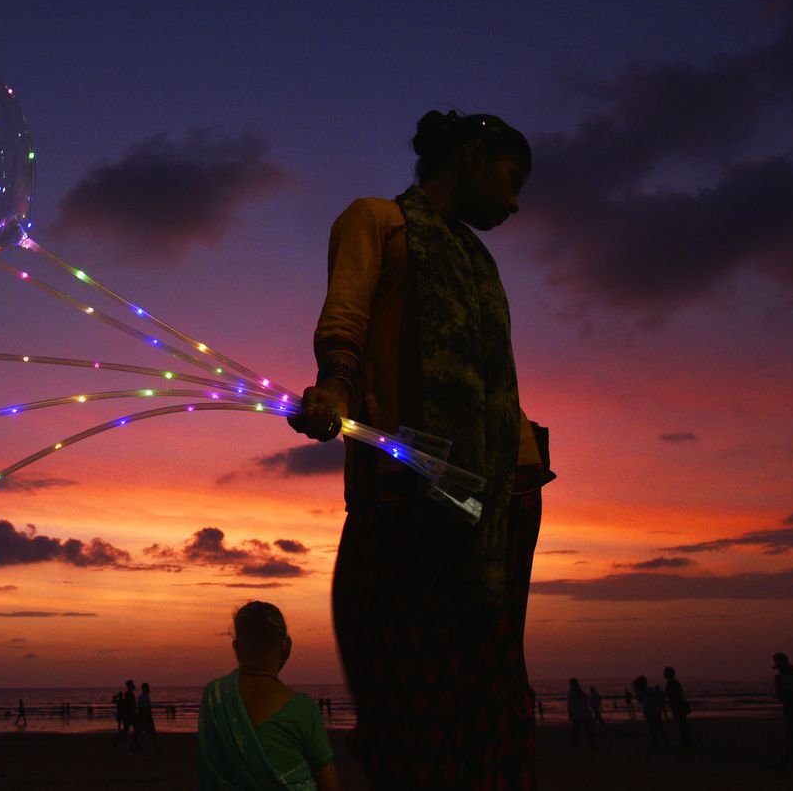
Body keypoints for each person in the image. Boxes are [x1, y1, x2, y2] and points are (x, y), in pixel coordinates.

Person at [290, 110, 550, 788]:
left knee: (491, 695)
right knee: (407, 686)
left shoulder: (477, 258)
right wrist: (337, 387)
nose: (515, 201)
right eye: (511, 176)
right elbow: (346, 315)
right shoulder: (378, 220)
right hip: (410, 488)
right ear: (469, 152)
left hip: (505, 495)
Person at [198, 601, 338, 790]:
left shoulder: (214, 697)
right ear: (286, 646)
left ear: (237, 649)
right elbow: (329, 784)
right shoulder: (303, 709)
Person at [633, 675, 667, 748]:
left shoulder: (649, 690)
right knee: (655, 729)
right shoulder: (643, 691)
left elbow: (659, 696)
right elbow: (640, 700)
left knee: (657, 729)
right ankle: (660, 743)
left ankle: (661, 743)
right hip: (650, 711)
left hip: (653, 711)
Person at [663, 667, 692, 747]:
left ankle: (686, 741)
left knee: (681, 723)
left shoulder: (672, 683)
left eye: (665, 672)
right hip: (676, 705)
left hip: (677, 706)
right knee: (682, 723)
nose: (663, 674)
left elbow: (673, 695)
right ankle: (686, 740)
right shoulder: (673, 683)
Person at [566, 679, 596, 752]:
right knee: (588, 730)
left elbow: (570, 704)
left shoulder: (571, 693)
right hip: (585, 713)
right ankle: (591, 745)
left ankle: (575, 746)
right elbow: (586, 700)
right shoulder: (581, 692)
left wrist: (570, 713)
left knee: (576, 731)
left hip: (577, 714)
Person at [134, 682, 158, 752]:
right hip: (146, 716)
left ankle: (135, 745)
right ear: (145, 688)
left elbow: (140, 707)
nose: (149, 689)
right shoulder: (144, 697)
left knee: (139, 732)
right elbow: (144, 708)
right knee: (152, 732)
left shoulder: (142, 696)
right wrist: (147, 715)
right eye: (148, 687)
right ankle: (155, 747)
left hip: (143, 716)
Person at [115, 680, 137, 747]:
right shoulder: (128, 693)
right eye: (132, 684)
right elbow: (128, 704)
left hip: (131, 714)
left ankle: (116, 741)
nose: (134, 685)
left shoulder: (129, 693)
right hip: (130, 714)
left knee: (128, 729)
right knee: (132, 729)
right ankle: (134, 744)